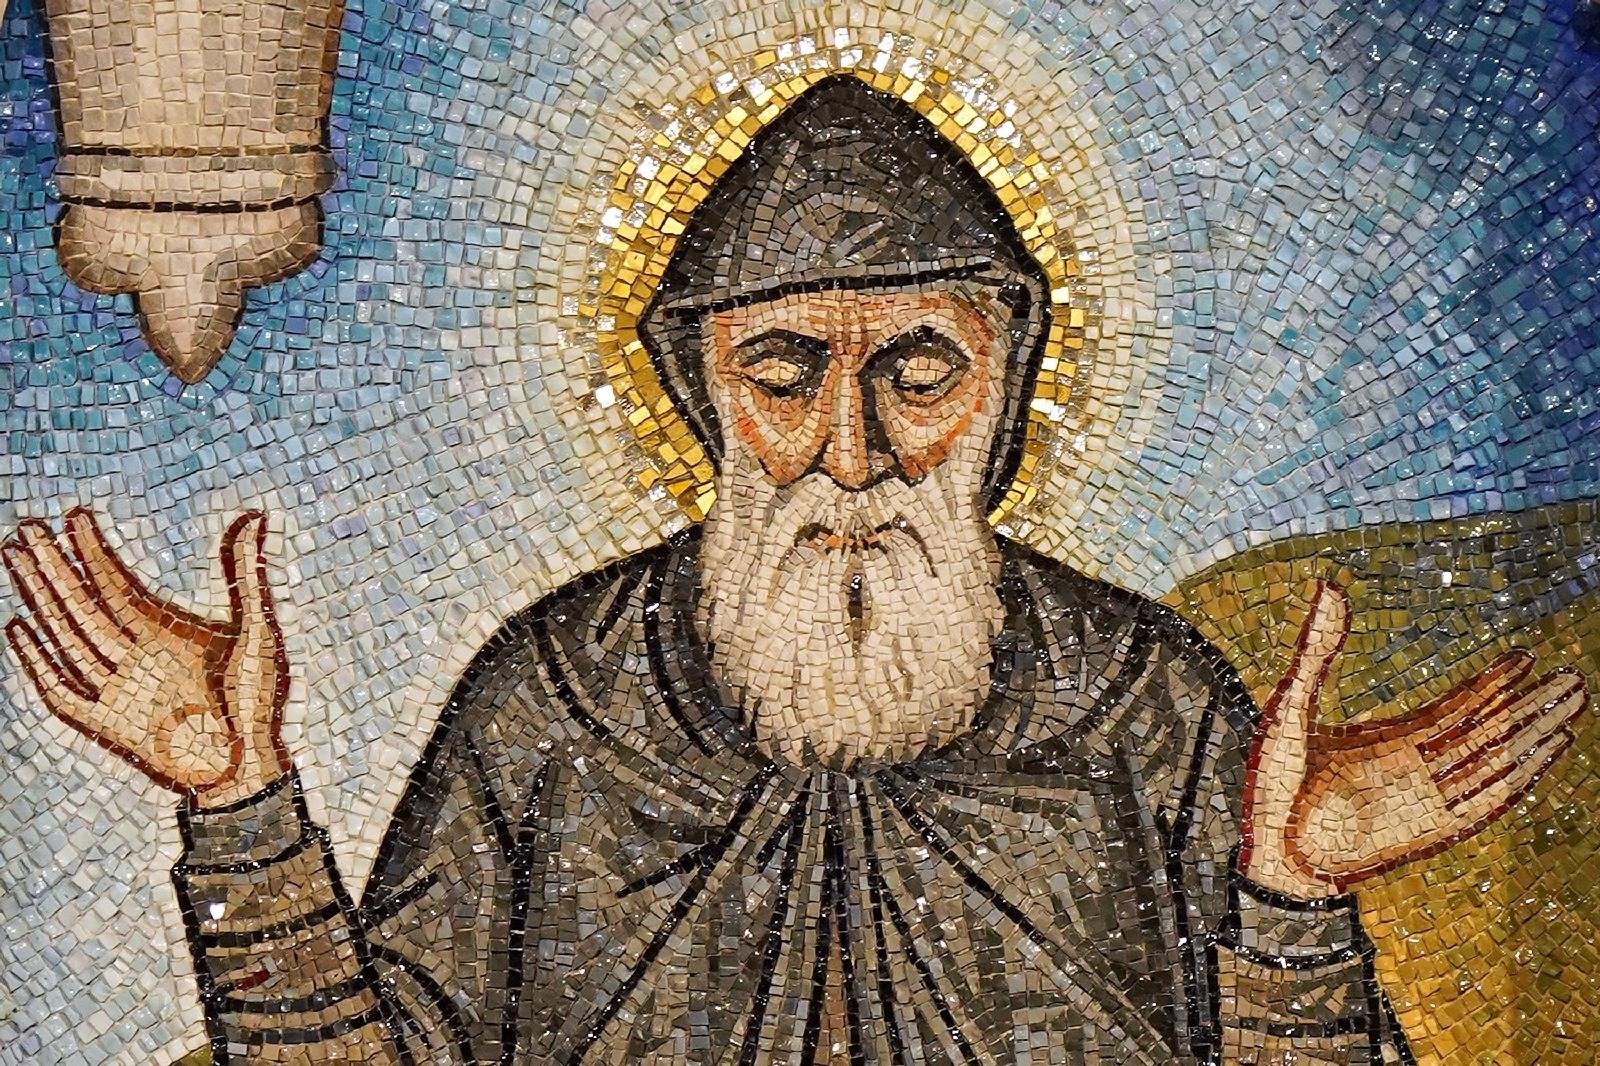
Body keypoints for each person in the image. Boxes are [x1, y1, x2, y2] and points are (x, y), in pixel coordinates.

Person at [4, 76, 1587, 1066]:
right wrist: (242, 804)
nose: (851, 448)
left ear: (1005, 388)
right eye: (782, 370)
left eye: (917, 369)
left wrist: (1292, 900)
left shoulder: (1143, 703)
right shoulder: (559, 700)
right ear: (703, 392)